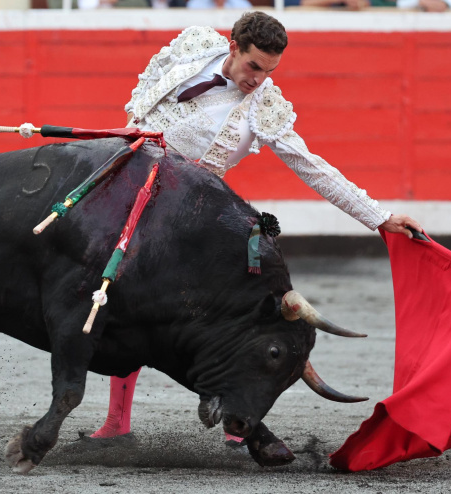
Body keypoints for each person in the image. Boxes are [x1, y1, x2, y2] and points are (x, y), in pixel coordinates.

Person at [87, 12, 422, 447]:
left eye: (269, 72)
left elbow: (312, 167)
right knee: (117, 298)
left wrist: (378, 216)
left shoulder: (265, 107)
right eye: (254, 67)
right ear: (233, 48)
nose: (259, 80)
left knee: (227, 320)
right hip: (130, 194)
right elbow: (144, 112)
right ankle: (117, 422)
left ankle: (240, 417)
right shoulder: (194, 48)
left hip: (191, 218)